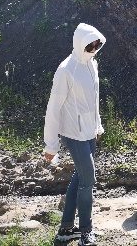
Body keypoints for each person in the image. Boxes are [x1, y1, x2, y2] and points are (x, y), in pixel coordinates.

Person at [43, 23, 107, 246]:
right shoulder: (66, 70)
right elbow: (53, 107)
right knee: (88, 179)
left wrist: (97, 126)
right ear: (80, 43)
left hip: (89, 132)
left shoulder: (93, 64)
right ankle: (86, 231)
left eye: (97, 45)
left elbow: (94, 99)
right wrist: (51, 145)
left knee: (79, 178)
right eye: (90, 45)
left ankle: (66, 230)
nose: (94, 48)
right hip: (73, 134)